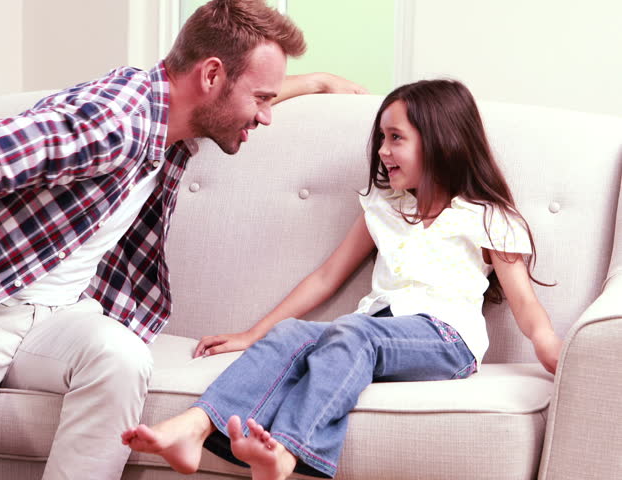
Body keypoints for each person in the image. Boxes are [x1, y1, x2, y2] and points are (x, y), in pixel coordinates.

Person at [0, 1, 367, 479]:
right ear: (210, 76)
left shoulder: (174, 113)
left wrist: (318, 81)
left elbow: (237, 89)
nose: (265, 115)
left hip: (58, 316)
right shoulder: (115, 121)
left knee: (122, 356)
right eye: (261, 100)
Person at [121, 79, 564, 480]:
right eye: (381, 139)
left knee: (355, 331)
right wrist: (254, 333)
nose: (383, 151)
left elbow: (525, 305)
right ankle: (194, 426)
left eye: (396, 139)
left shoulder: (486, 217)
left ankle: (290, 451)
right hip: (374, 330)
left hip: (447, 338)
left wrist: (551, 347)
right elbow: (326, 277)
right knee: (293, 333)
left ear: (440, 142)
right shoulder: (385, 209)